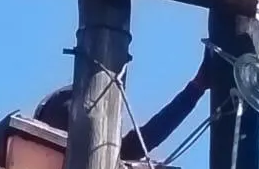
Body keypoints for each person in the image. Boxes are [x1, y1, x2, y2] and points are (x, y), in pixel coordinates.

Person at [33, 48, 212, 161]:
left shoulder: (107, 158)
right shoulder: (64, 104)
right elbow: (143, 141)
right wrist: (196, 89)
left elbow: (144, 140)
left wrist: (196, 88)